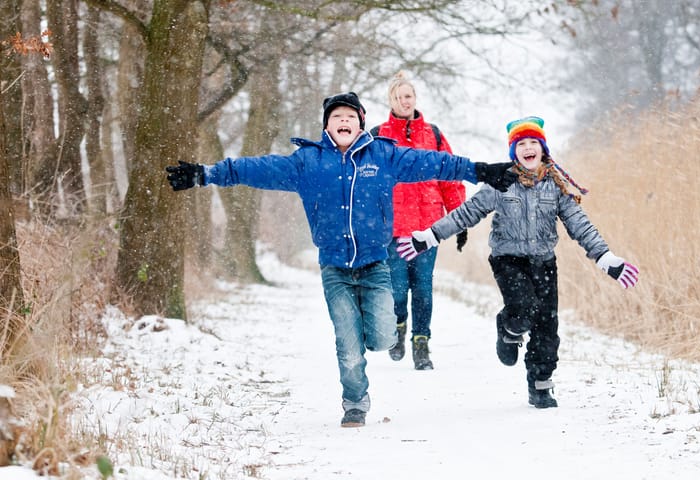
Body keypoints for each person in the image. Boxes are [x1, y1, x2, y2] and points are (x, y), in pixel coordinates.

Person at [165, 91, 517, 427]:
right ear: (327, 125)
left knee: (382, 338)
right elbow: (257, 169)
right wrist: (205, 174)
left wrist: (479, 170)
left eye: (350, 116)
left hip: (375, 265)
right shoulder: (308, 162)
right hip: (335, 268)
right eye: (337, 117)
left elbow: (433, 163)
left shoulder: (383, 156)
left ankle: (370, 328)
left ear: (361, 124)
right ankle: (355, 402)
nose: (344, 121)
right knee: (348, 346)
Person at [396, 115, 639, 409]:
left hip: (544, 262)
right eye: (521, 144)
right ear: (514, 151)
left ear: (543, 148)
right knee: (523, 308)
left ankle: (540, 385)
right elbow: (467, 213)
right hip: (507, 260)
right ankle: (508, 328)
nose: (527, 148)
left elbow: (579, 224)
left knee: (546, 326)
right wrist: (431, 236)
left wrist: (605, 257)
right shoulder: (502, 182)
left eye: (533, 143)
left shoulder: (556, 185)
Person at [370, 72, 466, 370]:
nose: (404, 101)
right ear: (391, 101)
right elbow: (366, 182)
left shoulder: (432, 134)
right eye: (398, 97)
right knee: (397, 288)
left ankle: (421, 344)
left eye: (408, 96)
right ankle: (398, 327)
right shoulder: (378, 135)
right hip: (393, 228)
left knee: (423, 288)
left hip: (428, 227)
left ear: (415, 98)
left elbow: (450, 176)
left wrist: (458, 220)